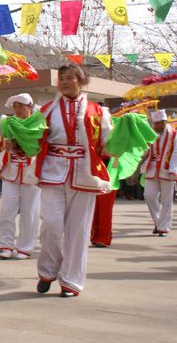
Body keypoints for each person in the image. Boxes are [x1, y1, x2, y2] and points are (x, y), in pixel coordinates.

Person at [35, 63, 111, 298]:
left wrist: (121, 142)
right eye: (61, 78)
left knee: (78, 230)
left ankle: (71, 281)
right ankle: (47, 270)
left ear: (81, 80)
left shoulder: (98, 111)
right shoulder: (46, 110)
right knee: (51, 224)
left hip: (85, 174)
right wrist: (16, 141)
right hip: (52, 171)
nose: (65, 82)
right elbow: (33, 139)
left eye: (70, 78)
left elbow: (107, 144)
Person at [0, 94, 41, 260]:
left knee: (30, 212)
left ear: (30, 106)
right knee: (7, 210)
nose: (18, 109)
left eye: (21, 106)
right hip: (10, 171)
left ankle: (25, 247)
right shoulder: (7, 123)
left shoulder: (39, 123)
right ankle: (4, 245)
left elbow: (42, 144)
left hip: (32, 173)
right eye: (15, 106)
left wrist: (20, 144)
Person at [140, 109, 177, 237]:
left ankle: (163, 228)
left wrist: (173, 169)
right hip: (152, 168)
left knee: (166, 200)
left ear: (165, 121)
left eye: (162, 122)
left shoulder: (175, 133)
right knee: (149, 196)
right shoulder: (149, 133)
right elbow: (144, 150)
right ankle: (159, 222)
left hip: (168, 170)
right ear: (154, 123)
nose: (160, 125)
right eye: (157, 123)